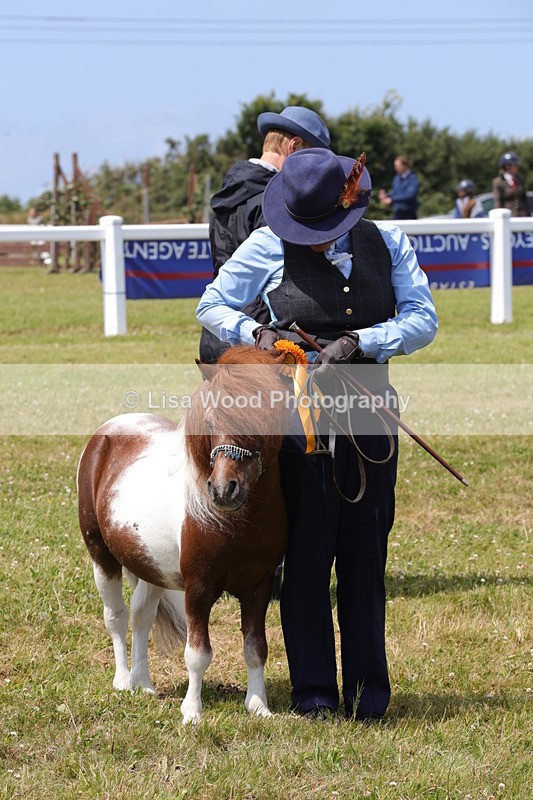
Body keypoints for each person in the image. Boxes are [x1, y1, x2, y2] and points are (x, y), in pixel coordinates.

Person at [196, 148, 438, 722]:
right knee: (305, 558)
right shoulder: (266, 246)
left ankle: (367, 695)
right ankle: (314, 695)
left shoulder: (391, 244)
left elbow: (422, 318)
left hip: (370, 417)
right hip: (296, 422)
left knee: (363, 558)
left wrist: (362, 342)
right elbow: (212, 304)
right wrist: (257, 330)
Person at [200, 106, 331, 365]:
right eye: (311, 159)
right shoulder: (277, 202)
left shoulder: (226, 195)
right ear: (293, 147)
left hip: (217, 334)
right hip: (260, 343)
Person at [378, 154, 420, 219]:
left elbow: (410, 195)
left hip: (409, 216)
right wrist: (386, 195)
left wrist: (392, 200)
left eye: (398, 166)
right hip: (397, 215)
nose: (395, 168)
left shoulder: (413, 179)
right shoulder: (396, 178)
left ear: (405, 166)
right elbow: (395, 193)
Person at [492, 151, 530, 217]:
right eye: (515, 165)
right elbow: (498, 201)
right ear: (507, 166)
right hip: (508, 217)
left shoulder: (520, 179)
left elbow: (525, 199)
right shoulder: (498, 182)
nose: (517, 167)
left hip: (523, 215)